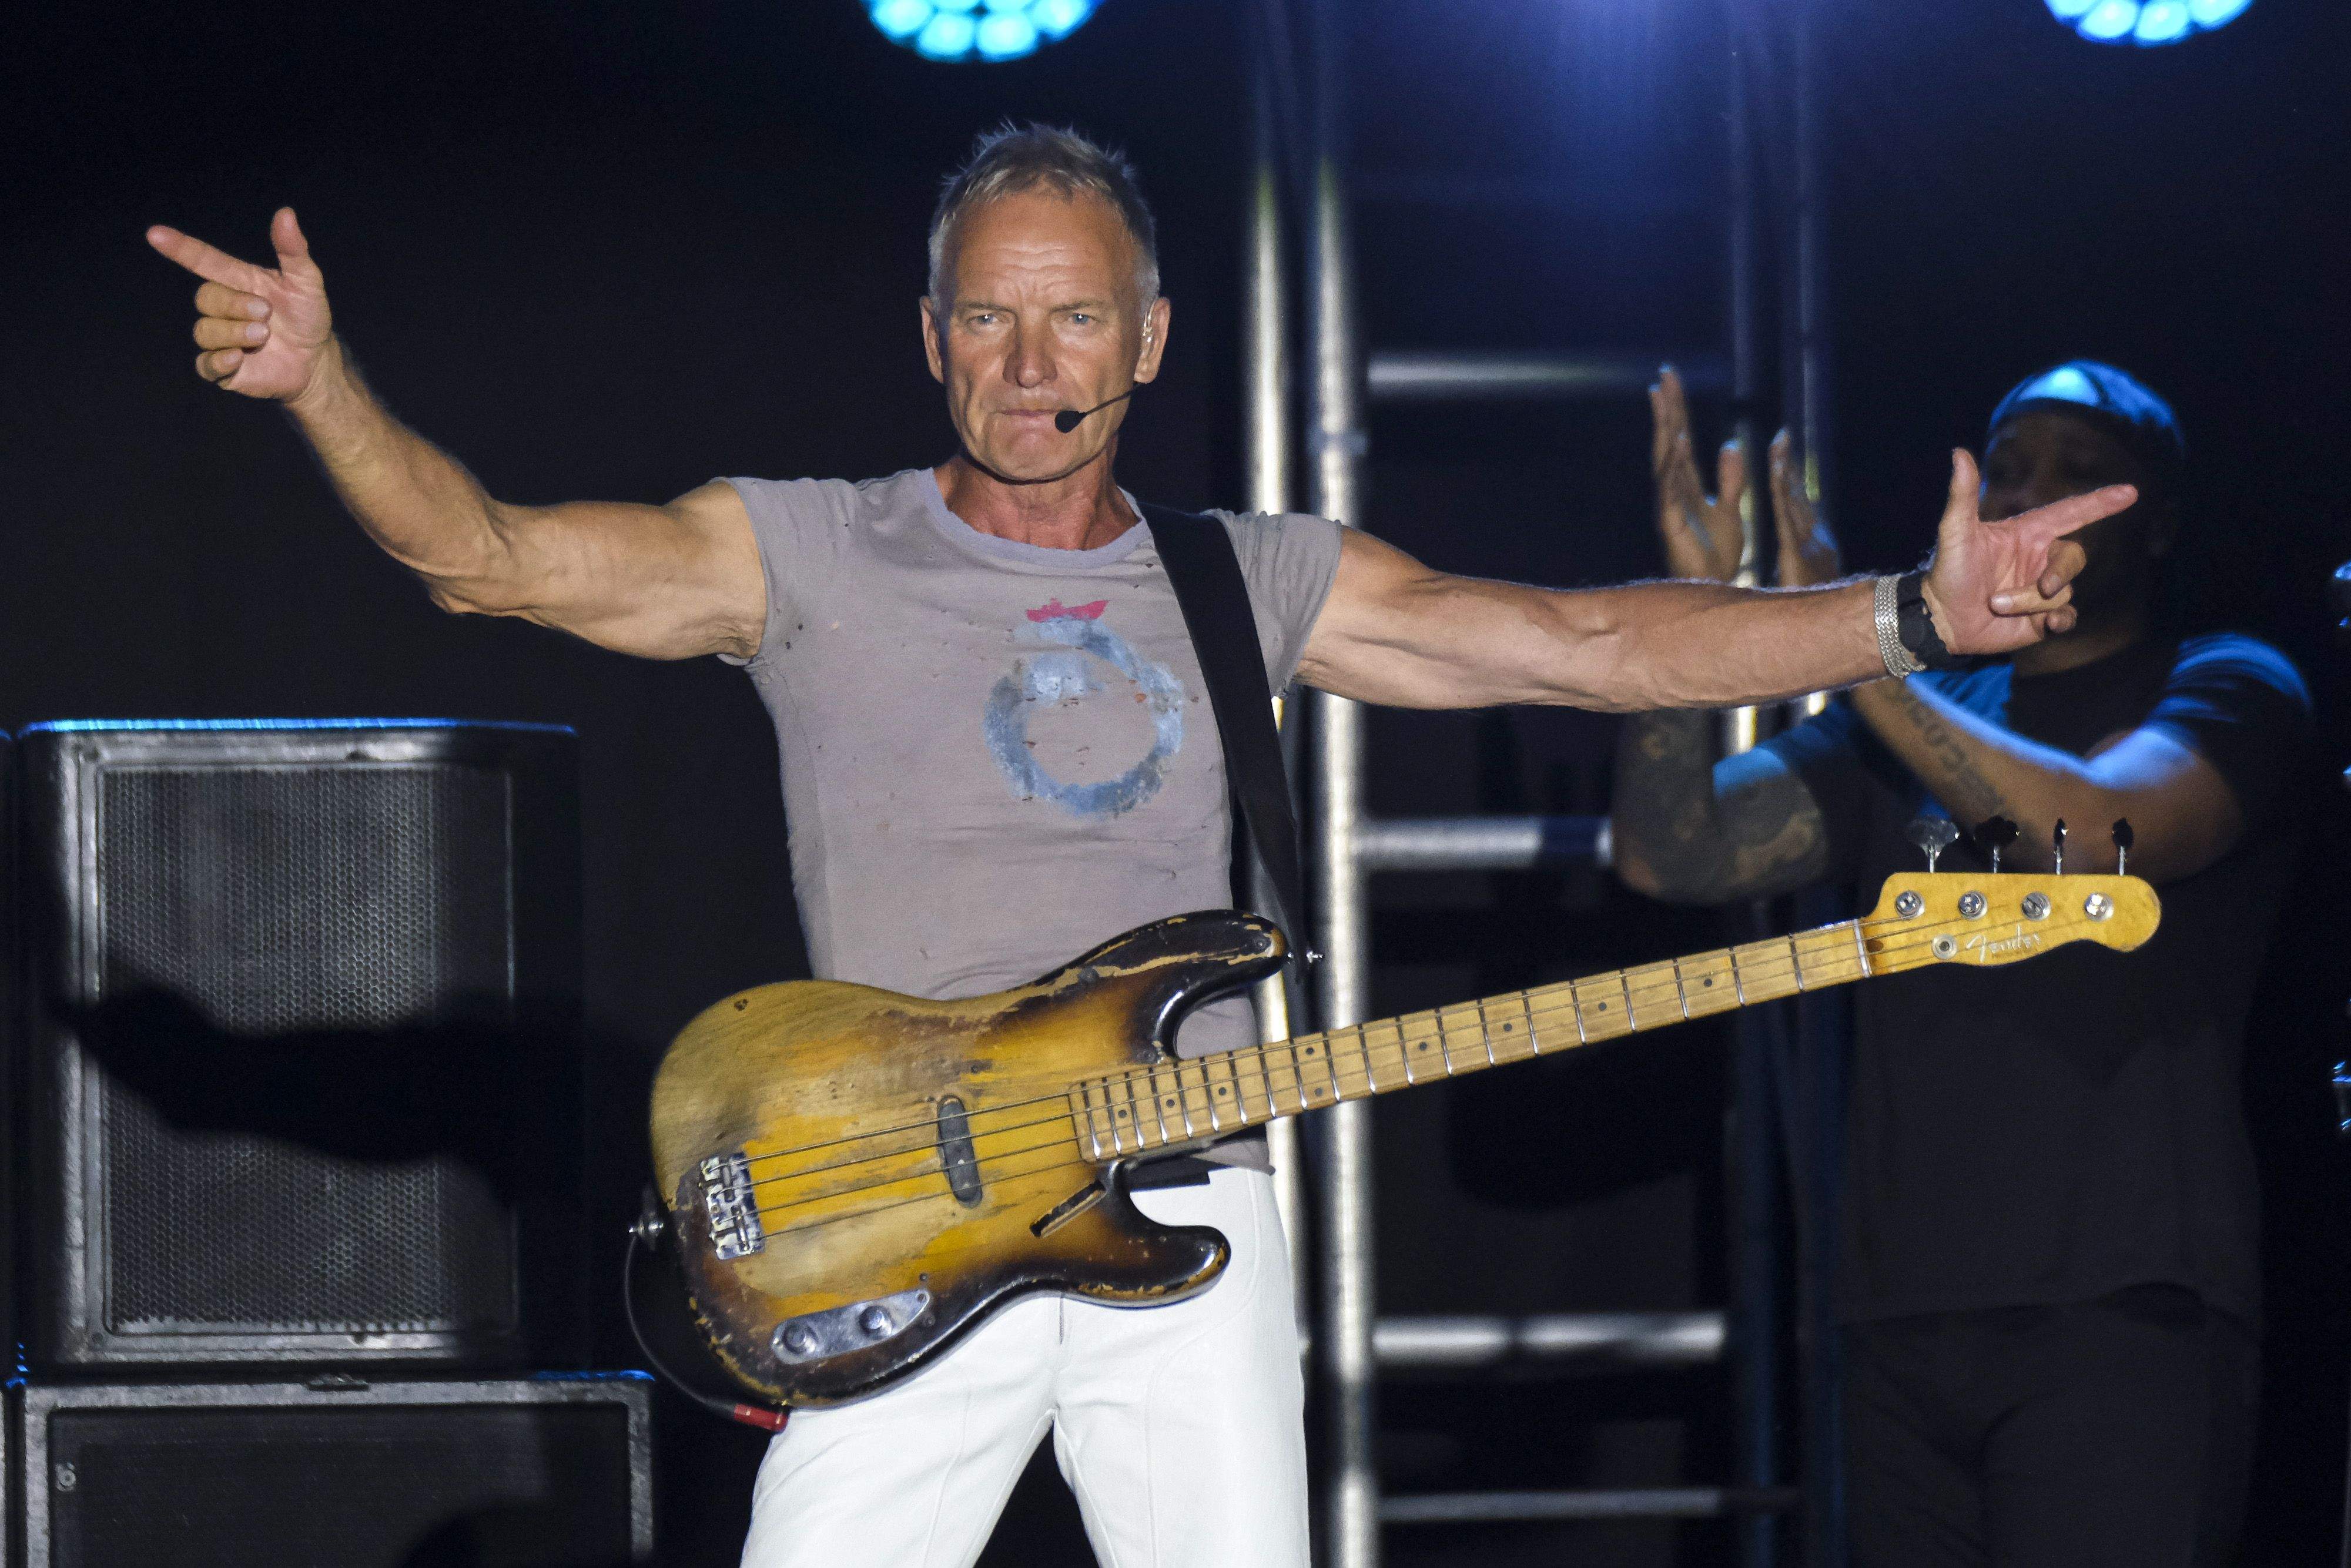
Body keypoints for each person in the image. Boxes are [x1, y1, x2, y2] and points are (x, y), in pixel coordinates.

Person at [148, 125, 2129, 1568]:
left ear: (1153, 335)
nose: (1034, 364)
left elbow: (1593, 642)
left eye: (1075, 317)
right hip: (892, 1225)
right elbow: (484, 561)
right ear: (930, 332)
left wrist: (1908, 617)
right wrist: (324, 386)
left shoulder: (1245, 575)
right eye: (993, 320)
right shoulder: (802, 549)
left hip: (1187, 1223)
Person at [1612, 363, 2310, 1567]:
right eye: (2009, 468)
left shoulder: (2229, 682)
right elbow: (1671, 850)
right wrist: (1694, 615)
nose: (2030, 498)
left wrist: (1852, 641)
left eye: (2079, 473)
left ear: (2159, 518)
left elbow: (2086, 833)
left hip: (2116, 1315)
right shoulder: (1910, 707)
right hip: (1894, 1321)